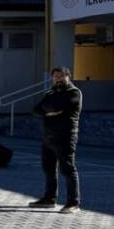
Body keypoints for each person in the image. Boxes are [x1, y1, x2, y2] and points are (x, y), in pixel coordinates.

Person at [30, 67, 82, 214]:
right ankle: (49, 199)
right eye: (55, 77)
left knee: (67, 169)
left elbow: (59, 106)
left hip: (65, 136)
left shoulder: (74, 93)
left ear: (68, 77)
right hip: (48, 137)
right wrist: (50, 111)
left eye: (61, 76)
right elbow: (36, 109)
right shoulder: (51, 93)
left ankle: (73, 203)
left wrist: (48, 110)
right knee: (48, 169)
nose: (58, 79)